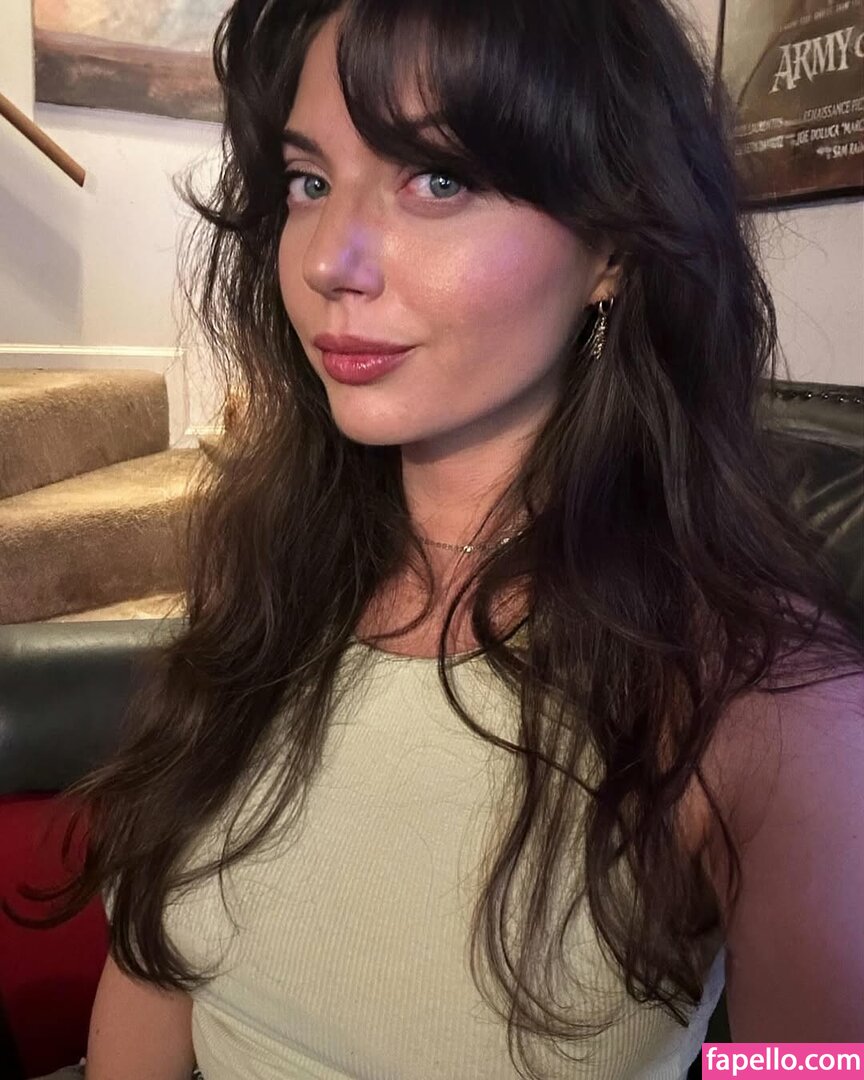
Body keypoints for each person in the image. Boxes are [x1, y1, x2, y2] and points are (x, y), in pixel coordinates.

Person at [21, 0, 864, 1077]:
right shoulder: (272, 564)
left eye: (437, 179)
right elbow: (155, 971)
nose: (330, 260)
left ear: (612, 245)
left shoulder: (771, 706)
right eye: (309, 181)